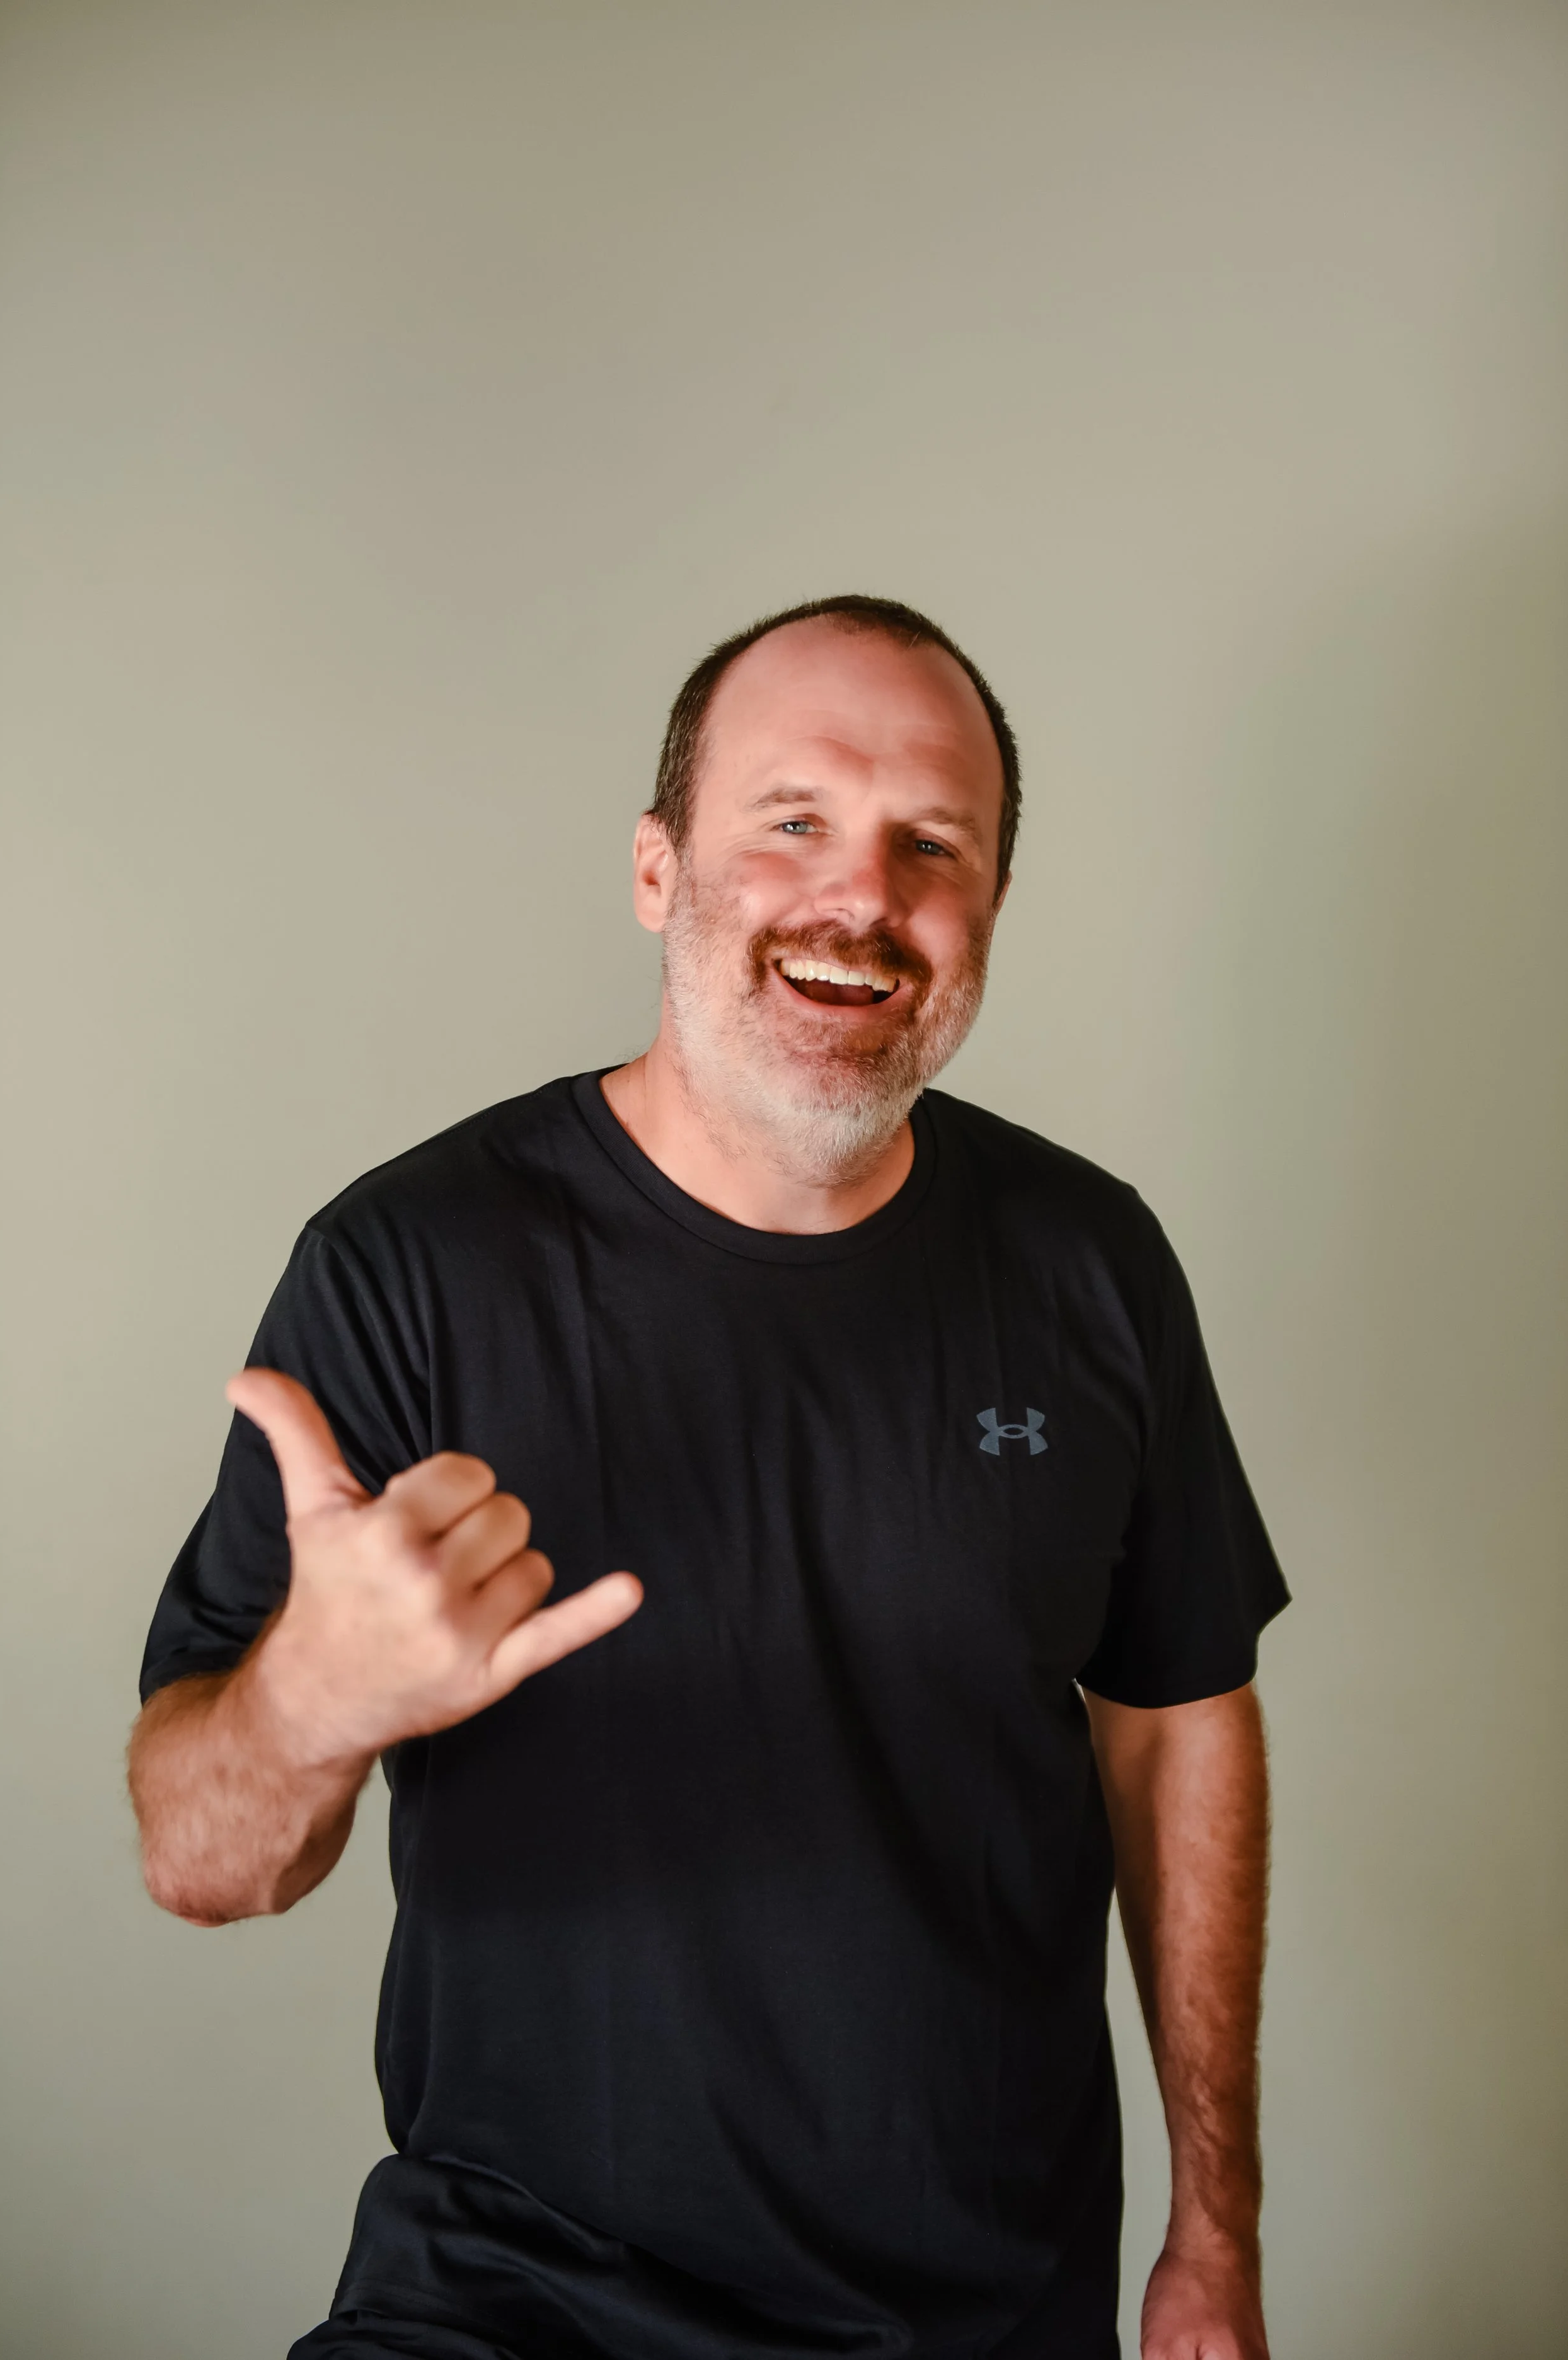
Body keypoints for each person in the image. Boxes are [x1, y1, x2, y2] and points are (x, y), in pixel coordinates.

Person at [129, 594, 1288, 2360]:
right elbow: (199, 1862)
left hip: (983, 2313)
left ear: (983, 912)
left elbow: (1173, 1713)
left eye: (932, 845)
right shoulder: (409, 1266)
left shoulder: (1088, 1263)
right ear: (659, 870)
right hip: (513, 2307)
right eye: (793, 822)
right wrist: (310, 1704)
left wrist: (1216, 2229)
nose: (861, 897)